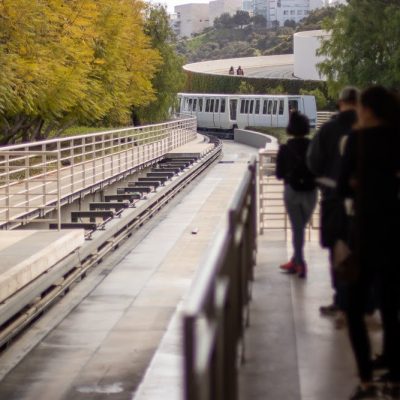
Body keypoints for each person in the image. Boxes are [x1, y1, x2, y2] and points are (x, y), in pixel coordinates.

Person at [337, 86, 400, 400]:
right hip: (396, 232)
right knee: (392, 303)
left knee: (354, 307)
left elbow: (341, 187)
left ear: (368, 110)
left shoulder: (358, 141)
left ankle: (366, 381)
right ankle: (393, 366)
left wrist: (357, 184)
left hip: (365, 233)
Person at [307, 87, 359, 317]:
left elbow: (313, 161)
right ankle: (363, 302)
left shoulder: (329, 129)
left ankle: (341, 300)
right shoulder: (369, 129)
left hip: (334, 199)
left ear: (340, 103)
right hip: (365, 203)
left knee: (336, 251)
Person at [276, 112, 317, 278]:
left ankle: (300, 263)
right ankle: (296, 261)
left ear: (290, 129)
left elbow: (279, 174)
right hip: (311, 192)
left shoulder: (285, 149)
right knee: (300, 229)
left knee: (297, 229)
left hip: (291, 192)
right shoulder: (314, 146)